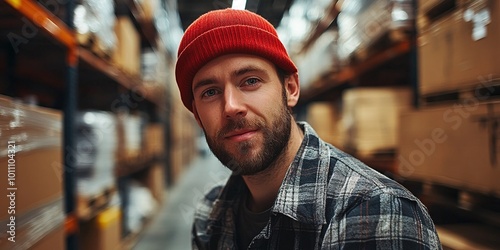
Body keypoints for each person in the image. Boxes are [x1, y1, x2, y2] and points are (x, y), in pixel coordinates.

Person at [175, 8, 442, 250]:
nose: (231, 106)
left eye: (250, 81)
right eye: (210, 92)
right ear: (197, 115)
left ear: (290, 89)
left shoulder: (377, 214)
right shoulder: (210, 214)